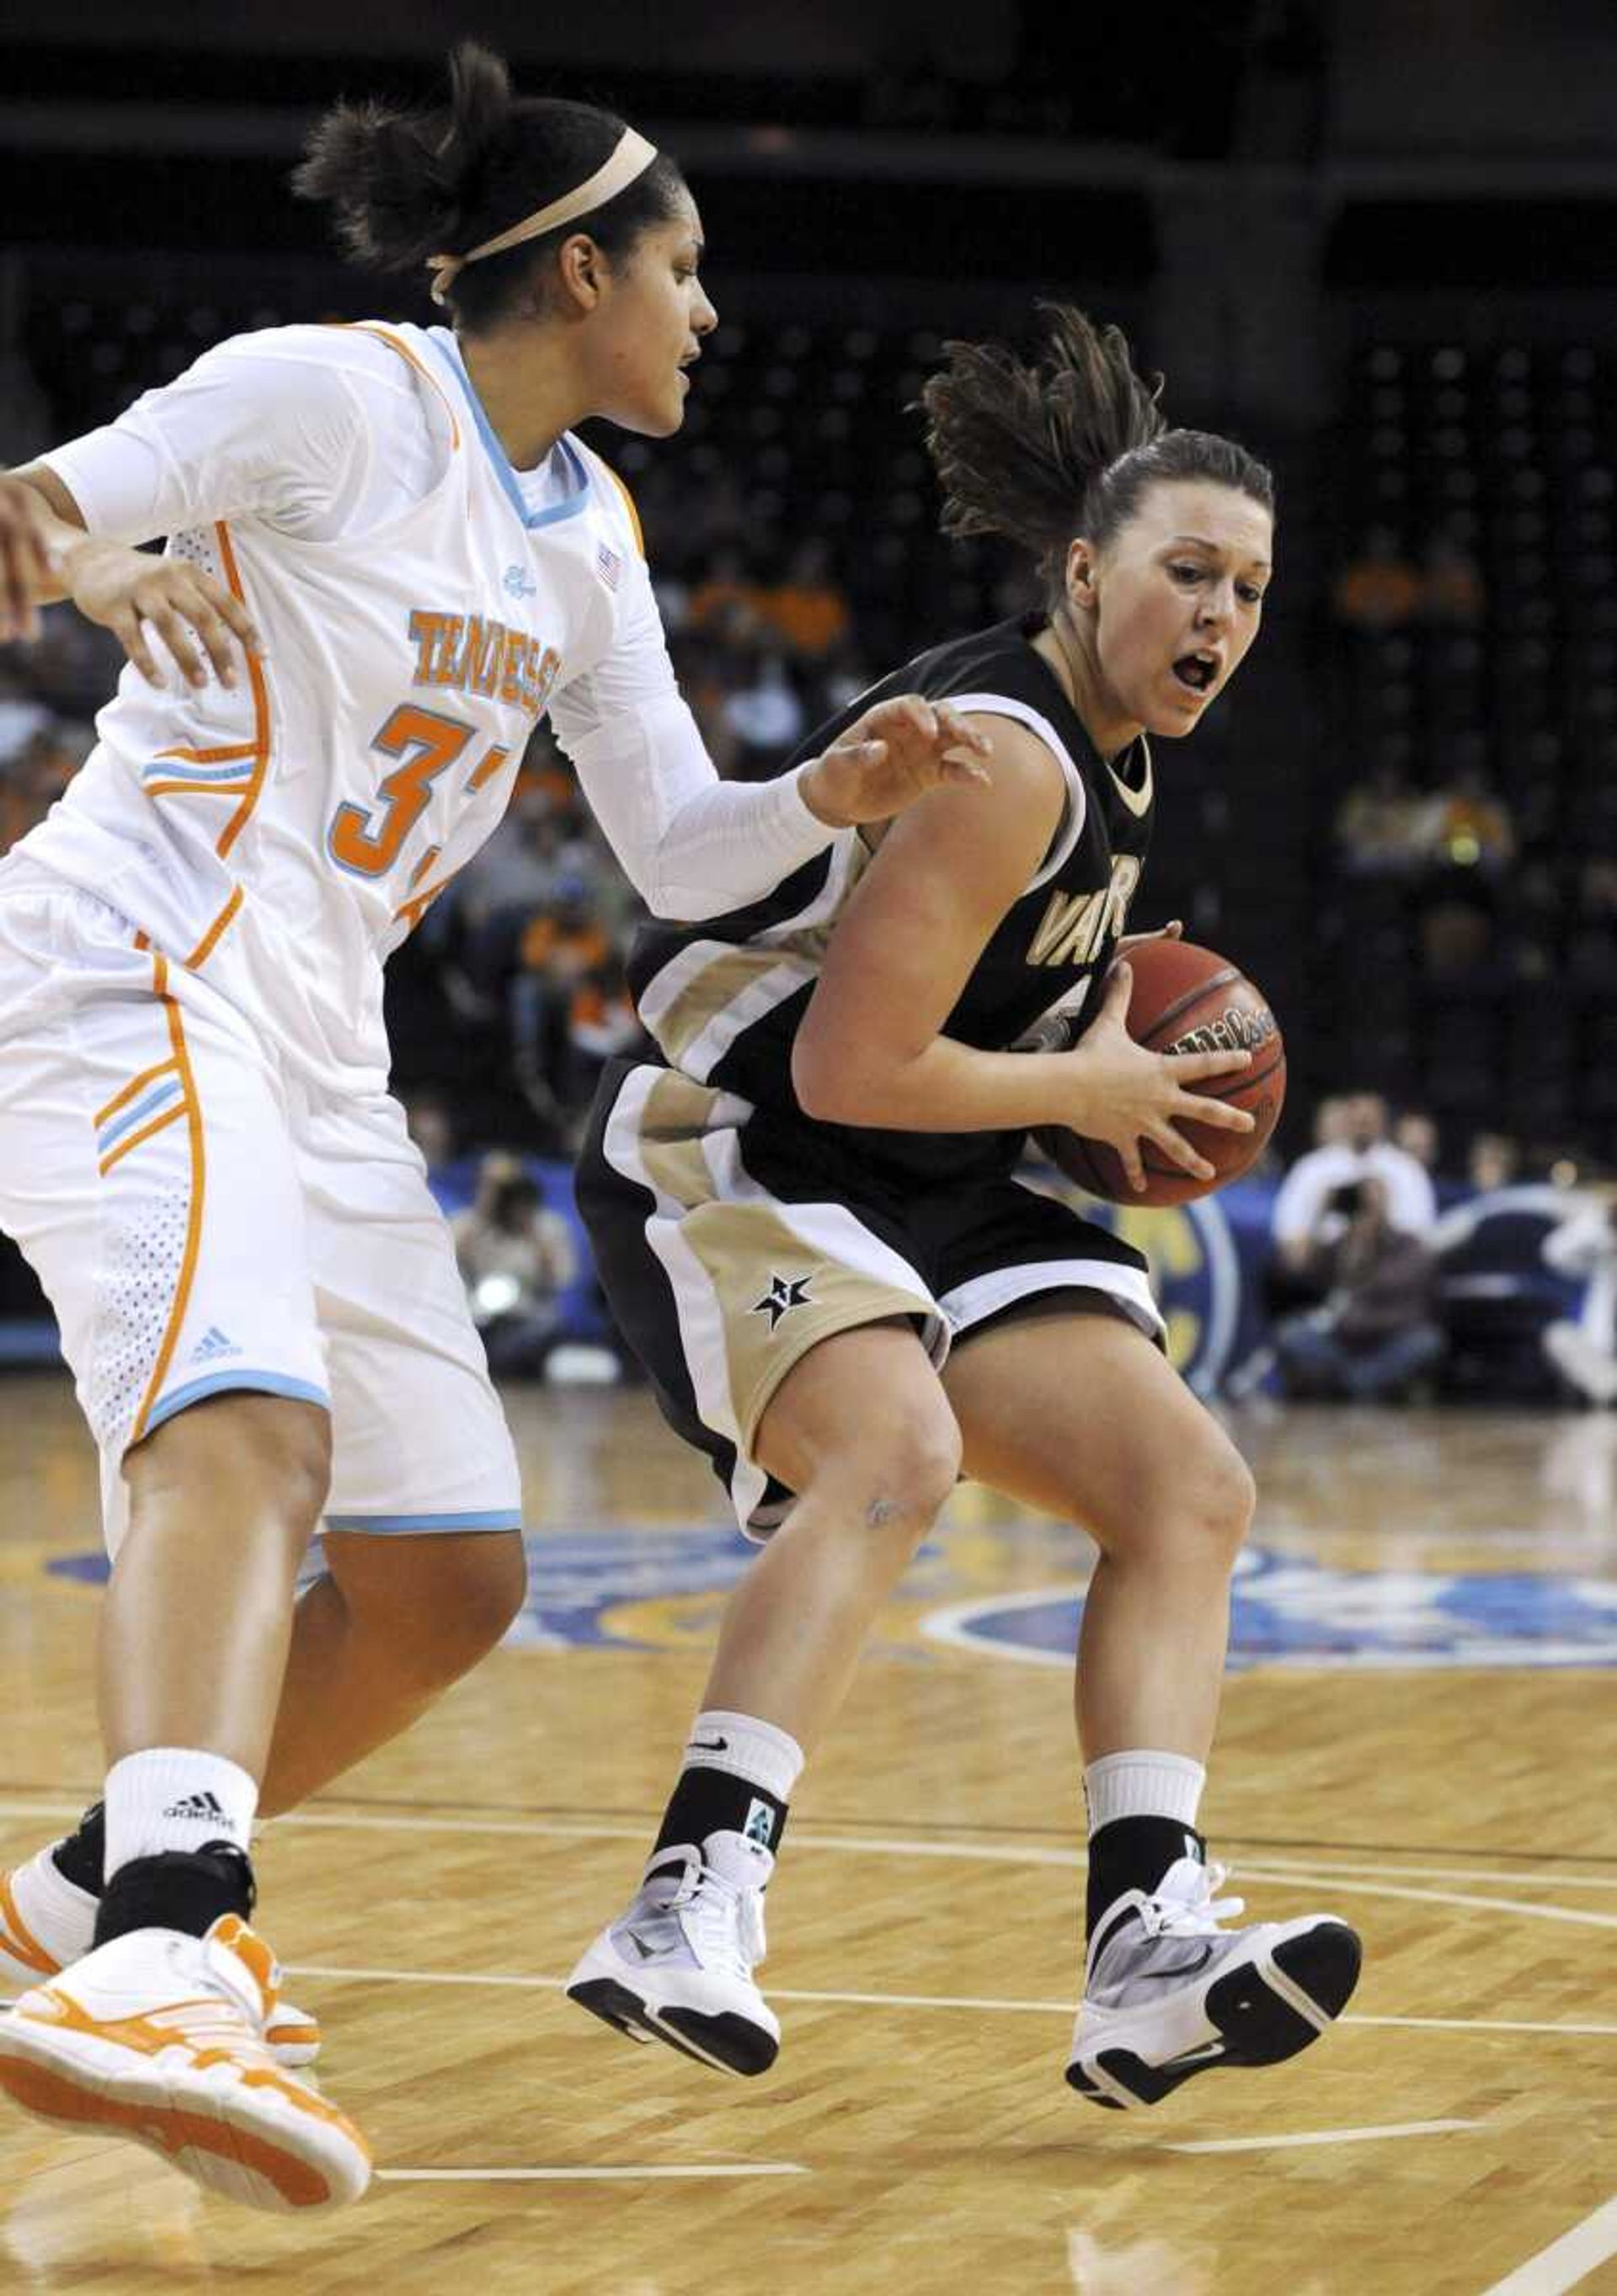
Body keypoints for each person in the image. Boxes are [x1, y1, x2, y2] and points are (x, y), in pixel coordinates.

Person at [0, 41, 987, 2210]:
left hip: (319, 1037)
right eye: (684, 266)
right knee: (243, 1429)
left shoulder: (593, 530)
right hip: (127, 956)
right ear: (570, 274)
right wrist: (89, 570)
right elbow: (40, 508)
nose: (709, 310)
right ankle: (171, 1946)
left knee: (451, 1576)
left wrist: (826, 800)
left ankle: (62, 1919)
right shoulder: (337, 394)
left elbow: (680, 850)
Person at [563, 305, 1360, 2112]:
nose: (1220, 617)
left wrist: (1082, 1030)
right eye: (1186, 575)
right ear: (1087, 571)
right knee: (893, 1450)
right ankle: (689, 1899)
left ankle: (1149, 1950)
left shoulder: (1119, 746)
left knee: (1186, 1489)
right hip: (742, 1141)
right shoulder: (1006, 750)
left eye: (1247, 586)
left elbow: (967, 1021)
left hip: (930, 1172)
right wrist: (1089, 1086)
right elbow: (849, 1066)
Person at [1272, 1175, 1446, 1401]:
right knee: (1291, 1334)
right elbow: (1300, 1272)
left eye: (1372, 1200)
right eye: (1361, 1200)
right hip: (1342, 1343)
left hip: (1390, 1340)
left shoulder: (1409, 1246)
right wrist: (1320, 1215)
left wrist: (1364, 1255)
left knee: (1426, 1342)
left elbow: (1394, 1286)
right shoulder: (1344, 1244)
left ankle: (1352, 1386)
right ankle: (1357, 1385)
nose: (1366, 1208)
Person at [1270, 1090, 1437, 1276]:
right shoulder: (1312, 1168)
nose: (1363, 1126)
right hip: (1323, 1267)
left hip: (1389, 1272)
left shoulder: (1406, 1170)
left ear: (1383, 1122)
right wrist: (1324, 1207)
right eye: (1358, 1119)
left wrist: (1380, 1216)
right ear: (1346, 1119)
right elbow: (1289, 1240)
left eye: (1369, 1120)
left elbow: (1421, 1242)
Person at [451, 1151, 579, 1377]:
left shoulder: (547, 1226)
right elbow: (450, 1260)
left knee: (531, 1339)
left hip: (529, 1315)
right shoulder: (469, 1225)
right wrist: (485, 1209)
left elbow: (562, 1277)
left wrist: (533, 1233)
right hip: (481, 1317)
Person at [1541, 1187, 1617, 1407]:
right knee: (1557, 1335)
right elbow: (1553, 1251)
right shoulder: (1602, 1254)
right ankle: (1611, 1389)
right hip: (1604, 1358)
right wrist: (1602, 1219)